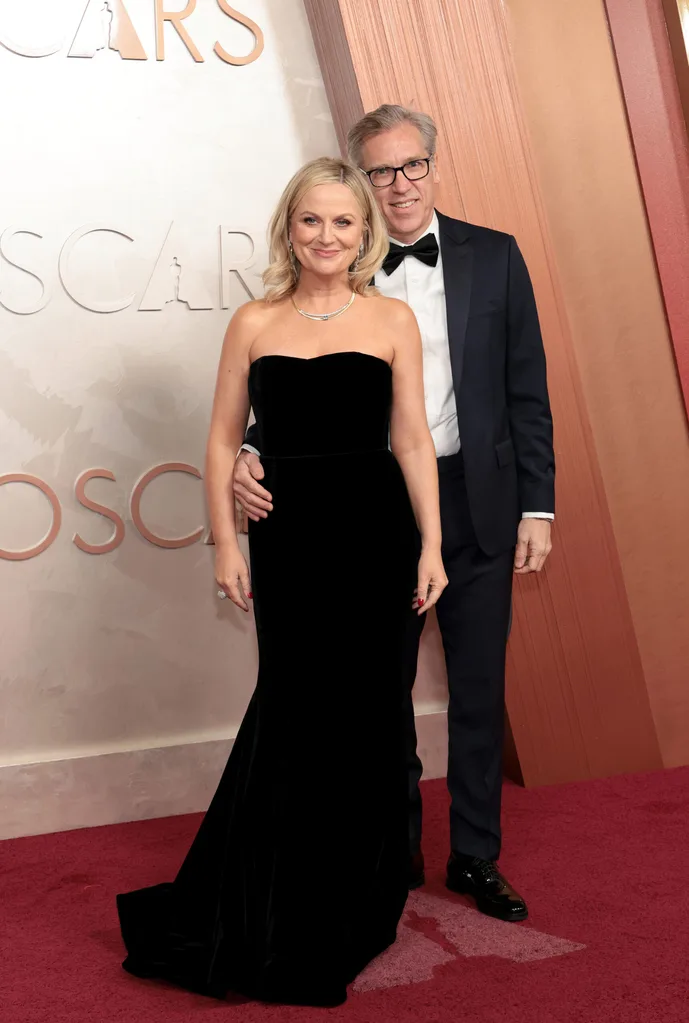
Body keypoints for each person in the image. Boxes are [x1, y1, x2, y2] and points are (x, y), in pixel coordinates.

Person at [116, 156, 447, 1008]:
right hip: (289, 538)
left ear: (363, 232)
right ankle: (279, 892)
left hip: (377, 531)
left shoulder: (392, 320)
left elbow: (410, 439)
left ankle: (359, 890)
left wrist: (432, 543)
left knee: (372, 711)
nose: (327, 236)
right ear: (288, 229)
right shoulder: (253, 320)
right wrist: (224, 542)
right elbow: (222, 442)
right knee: (296, 711)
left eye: (343, 222)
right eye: (311, 221)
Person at [235, 105, 555, 923]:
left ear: (433, 166)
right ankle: (393, 848)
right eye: (379, 171)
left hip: (480, 503)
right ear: (360, 178)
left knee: (479, 691)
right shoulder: (339, 261)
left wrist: (537, 505)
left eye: (411, 166)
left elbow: (527, 390)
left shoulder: (496, 255)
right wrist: (246, 450)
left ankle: (475, 855)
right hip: (368, 511)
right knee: (375, 692)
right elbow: (290, 381)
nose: (398, 184)